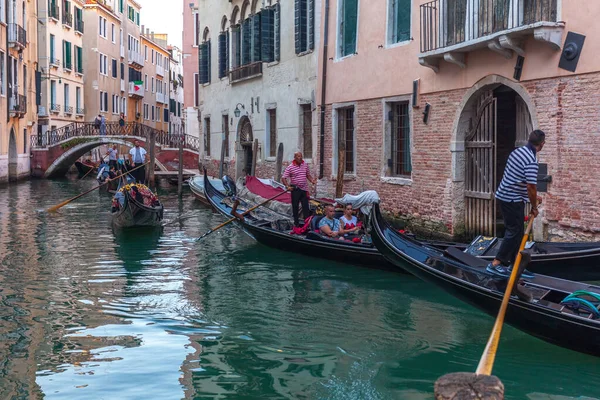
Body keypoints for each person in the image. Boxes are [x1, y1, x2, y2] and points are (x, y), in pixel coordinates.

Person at [486, 129, 546, 278]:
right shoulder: (531, 160)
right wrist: (533, 207)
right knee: (513, 232)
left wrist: (534, 197)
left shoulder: (517, 152)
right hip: (512, 199)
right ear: (542, 144)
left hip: (505, 195)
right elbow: (530, 186)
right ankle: (495, 264)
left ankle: (516, 265)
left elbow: (517, 178)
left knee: (517, 232)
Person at [282, 151, 317, 227]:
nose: (300, 158)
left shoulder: (305, 165)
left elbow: (308, 175)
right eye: (298, 156)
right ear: (295, 158)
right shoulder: (290, 167)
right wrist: (287, 186)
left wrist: (312, 181)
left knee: (306, 207)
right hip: (295, 190)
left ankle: (307, 224)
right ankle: (296, 224)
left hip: (304, 189)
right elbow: (284, 178)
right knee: (295, 207)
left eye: (301, 156)